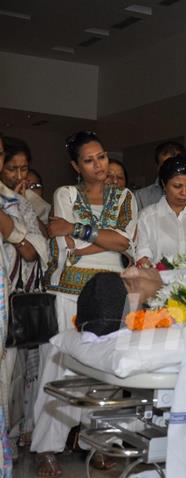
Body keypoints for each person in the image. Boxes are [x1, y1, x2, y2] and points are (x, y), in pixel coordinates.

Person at [32, 130, 137, 477]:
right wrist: (107, 241)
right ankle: (47, 449)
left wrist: (83, 232)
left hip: (110, 293)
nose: (99, 165)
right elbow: (66, 247)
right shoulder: (65, 194)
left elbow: (124, 242)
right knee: (60, 368)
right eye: (89, 160)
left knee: (104, 371)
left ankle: (97, 445)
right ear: (75, 166)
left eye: (103, 156)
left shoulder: (125, 198)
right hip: (70, 292)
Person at [0, 136, 49, 458]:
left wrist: (19, 236)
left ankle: (14, 434)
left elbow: (37, 248)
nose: (19, 175)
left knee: (17, 375)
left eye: (24, 168)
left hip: (18, 297)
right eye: (11, 167)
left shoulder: (27, 202)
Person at [135, 154, 186, 266]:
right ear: (164, 185)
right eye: (177, 186)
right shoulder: (146, 217)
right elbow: (142, 258)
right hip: (157, 281)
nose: (184, 193)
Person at [135, 141, 186, 211]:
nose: (172, 171)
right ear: (158, 168)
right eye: (166, 166)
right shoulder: (141, 196)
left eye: (177, 166)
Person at [0, 137, 51, 226]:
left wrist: (24, 203)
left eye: (24, 169)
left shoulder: (30, 197)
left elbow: (46, 234)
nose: (19, 176)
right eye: (11, 169)